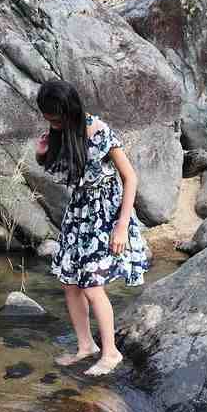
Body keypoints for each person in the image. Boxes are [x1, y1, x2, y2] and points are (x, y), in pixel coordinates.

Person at [35, 79, 150, 376]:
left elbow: (130, 178)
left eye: (56, 118)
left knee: (91, 284)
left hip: (106, 215)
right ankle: (86, 346)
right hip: (79, 214)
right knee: (70, 282)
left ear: (69, 110)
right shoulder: (61, 133)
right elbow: (63, 172)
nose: (53, 123)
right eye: (48, 118)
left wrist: (122, 226)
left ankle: (111, 353)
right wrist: (41, 154)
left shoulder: (99, 131)